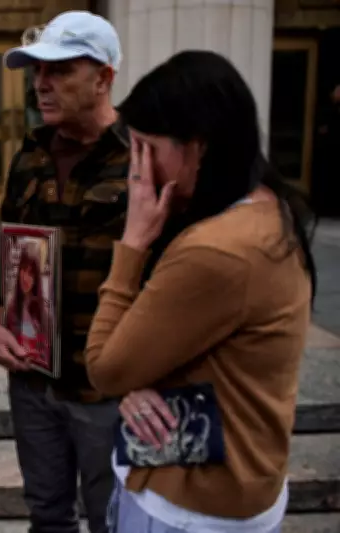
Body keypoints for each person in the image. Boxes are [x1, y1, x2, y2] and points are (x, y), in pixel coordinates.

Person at [85, 50, 316, 533]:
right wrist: (134, 382)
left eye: (147, 148)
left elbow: (105, 367)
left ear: (198, 147)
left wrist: (133, 241)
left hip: (189, 506)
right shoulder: (264, 208)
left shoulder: (218, 249)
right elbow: (176, 345)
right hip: (228, 482)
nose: (136, 167)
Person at [0, 11, 129, 533]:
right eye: (37, 71)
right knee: (47, 516)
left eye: (60, 70)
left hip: (106, 387)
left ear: (104, 78)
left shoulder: (143, 157)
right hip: (33, 379)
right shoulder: (31, 153)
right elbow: (5, 243)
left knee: (113, 520)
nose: (41, 83)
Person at [4, 244, 49, 365]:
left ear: (36, 278)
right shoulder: (12, 308)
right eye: (23, 270)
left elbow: (46, 350)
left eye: (30, 273)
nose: (25, 277)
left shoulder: (42, 310)